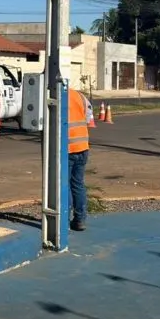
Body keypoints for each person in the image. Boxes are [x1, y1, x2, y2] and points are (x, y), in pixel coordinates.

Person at [68, 88, 90, 231]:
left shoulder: (53, 95)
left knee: (64, 186)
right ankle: (80, 219)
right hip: (82, 146)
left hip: (67, 147)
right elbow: (88, 117)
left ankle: (63, 219)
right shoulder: (79, 95)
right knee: (78, 184)